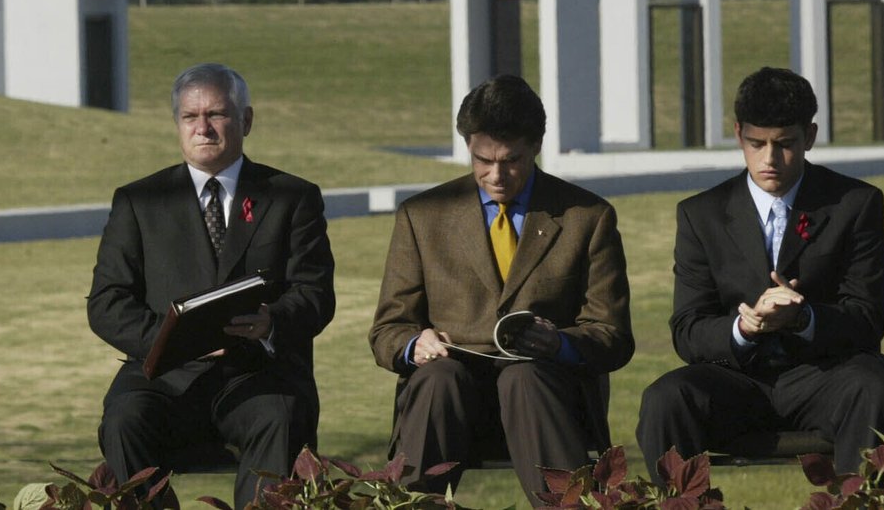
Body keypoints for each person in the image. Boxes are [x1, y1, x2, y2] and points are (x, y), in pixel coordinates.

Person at [368, 74, 632, 503]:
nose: (495, 174)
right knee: (438, 378)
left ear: (536, 146)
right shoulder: (422, 215)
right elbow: (387, 330)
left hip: (543, 400)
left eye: (510, 160)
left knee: (524, 377)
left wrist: (559, 343)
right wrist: (415, 344)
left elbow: (613, 336)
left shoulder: (588, 217)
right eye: (482, 159)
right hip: (448, 399)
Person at [636, 67, 884, 476]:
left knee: (873, 387)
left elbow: (867, 322)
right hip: (736, 382)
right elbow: (688, 330)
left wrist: (803, 318)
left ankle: (861, 503)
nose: (769, 159)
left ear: (810, 137)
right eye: (756, 143)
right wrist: (744, 329)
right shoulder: (700, 214)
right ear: (738, 133)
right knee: (666, 398)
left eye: (784, 144)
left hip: (826, 376)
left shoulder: (856, 204)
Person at [87, 63, 335, 508]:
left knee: (282, 416)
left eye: (217, 114)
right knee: (124, 419)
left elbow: (315, 294)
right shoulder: (139, 201)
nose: (203, 128)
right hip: (163, 377)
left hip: (259, 374)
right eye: (190, 117)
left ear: (247, 120)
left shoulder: (292, 197)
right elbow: (107, 302)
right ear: (177, 124)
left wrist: (271, 320)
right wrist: (168, 341)